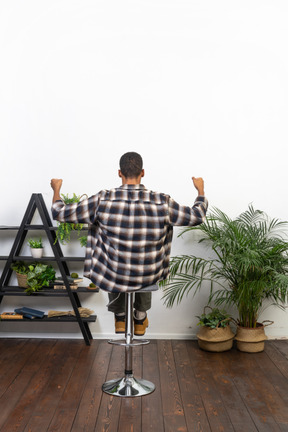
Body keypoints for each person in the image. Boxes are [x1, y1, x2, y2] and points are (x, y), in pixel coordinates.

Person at [50, 152, 208, 336]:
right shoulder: (161, 201)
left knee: (112, 262)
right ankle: (140, 317)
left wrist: (56, 190)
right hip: (147, 275)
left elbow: (59, 213)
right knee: (142, 261)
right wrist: (200, 191)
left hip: (114, 275)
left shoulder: (102, 199)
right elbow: (197, 217)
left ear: (119, 173)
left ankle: (120, 315)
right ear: (143, 172)